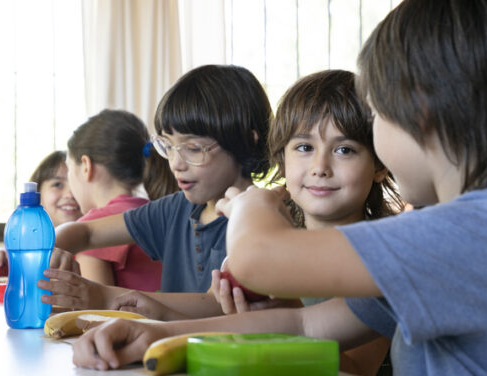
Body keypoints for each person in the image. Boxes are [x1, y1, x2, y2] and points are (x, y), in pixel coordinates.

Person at [69, 1, 487, 374]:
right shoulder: (482, 229)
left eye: (376, 115)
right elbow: (307, 326)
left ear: (420, 111)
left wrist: (253, 203)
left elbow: (256, 258)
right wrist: (159, 335)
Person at [70, 69, 401, 374]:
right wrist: (155, 318)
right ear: (281, 157)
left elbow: (353, 369)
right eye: (303, 147)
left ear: (381, 163)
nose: (320, 166)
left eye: (344, 150)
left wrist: (284, 306)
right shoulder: (278, 234)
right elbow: (222, 310)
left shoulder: (385, 252)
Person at [37, 65, 272, 317]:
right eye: (168, 146)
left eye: (193, 148)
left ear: (247, 140)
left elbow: (216, 305)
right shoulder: (174, 210)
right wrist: (57, 246)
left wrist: (104, 296)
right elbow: (85, 232)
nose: (176, 163)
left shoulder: (258, 219)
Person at [65, 109, 176, 290]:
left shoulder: (93, 226)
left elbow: (97, 312)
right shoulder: (155, 212)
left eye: (69, 168)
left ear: (86, 166)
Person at [0, 151, 82, 279]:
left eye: (77, 184)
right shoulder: (27, 243)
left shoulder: (93, 249)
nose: (69, 194)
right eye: (57, 184)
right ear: (38, 194)